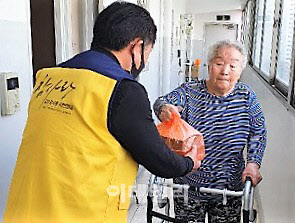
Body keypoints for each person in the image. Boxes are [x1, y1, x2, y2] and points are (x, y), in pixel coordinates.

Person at [2, 2, 201, 223]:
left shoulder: (48, 76)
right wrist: (189, 162)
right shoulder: (123, 89)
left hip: (23, 210)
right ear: (137, 46)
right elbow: (159, 162)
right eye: (148, 52)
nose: (146, 60)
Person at [153, 40, 267, 223]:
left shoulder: (246, 96)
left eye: (232, 65)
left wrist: (253, 163)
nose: (225, 71)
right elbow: (162, 101)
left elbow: (258, 131)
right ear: (209, 65)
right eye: (219, 63)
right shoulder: (189, 91)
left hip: (228, 189)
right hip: (188, 186)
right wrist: (163, 108)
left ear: (241, 70)